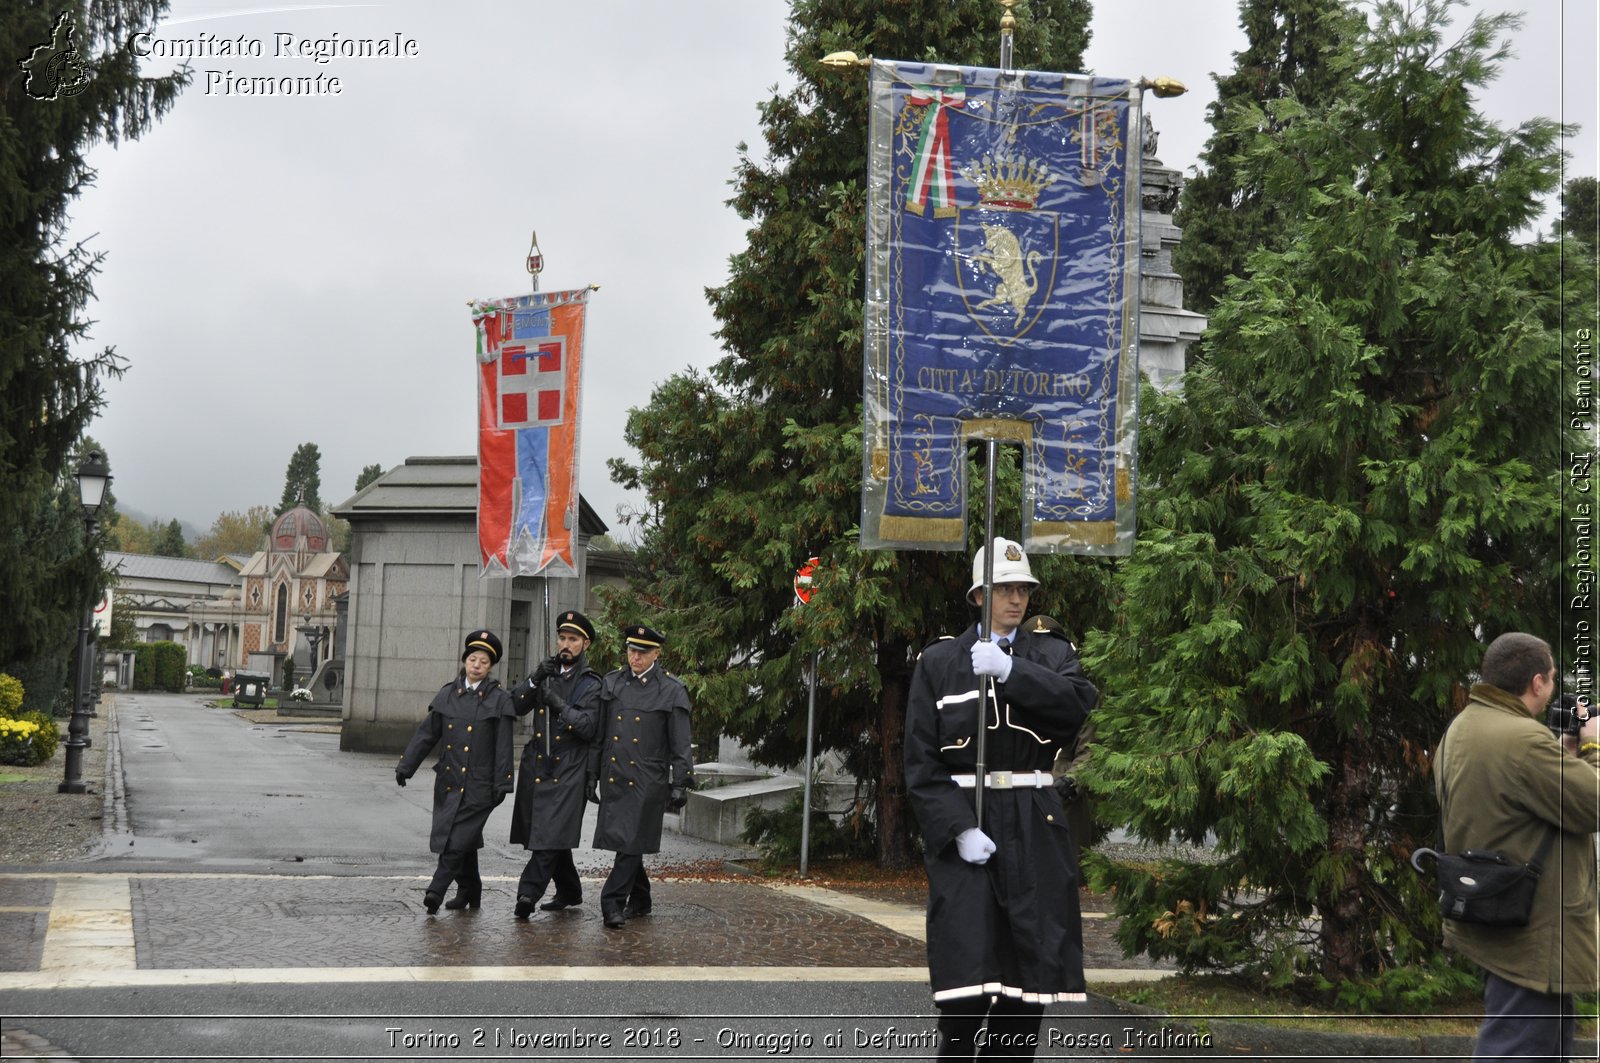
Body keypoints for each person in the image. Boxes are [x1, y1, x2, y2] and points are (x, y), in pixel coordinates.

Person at [904, 538, 1098, 1060]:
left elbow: (1078, 708)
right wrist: (957, 829)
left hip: (1035, 823)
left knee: (1025, 992)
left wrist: (1015, 672)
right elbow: (921, 762)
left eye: (1023, 589)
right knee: (966, 992)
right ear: (977, 594)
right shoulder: (940, 662)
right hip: (969, 825)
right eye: (1004, 588)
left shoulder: (1053, 655)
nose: (1016, 599)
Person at [1436, 632, 1599, 1062]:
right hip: (1534, 932)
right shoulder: (1524, 741)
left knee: (1531, 1042)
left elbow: (1512, 800)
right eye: (1551, 677)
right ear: (1537, 683)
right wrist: (1594, 745)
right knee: (1520, 1049)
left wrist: (1562, 754)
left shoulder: (1464, 726)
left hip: (1495, 912)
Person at [395, 629, 517, 915]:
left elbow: (504, 746)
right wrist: (406, 765)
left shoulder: (499, 700)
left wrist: (504, 782)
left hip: (481, 786)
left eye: (483, 662)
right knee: (464, 839)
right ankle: (470, 889)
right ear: (465, 661)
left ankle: (435, 890)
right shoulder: (447, 694)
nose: (476, 665)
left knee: (455, 839)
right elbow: (427, 734)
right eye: (473, 659)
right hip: (449, 781)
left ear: (490, 667)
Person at [591, 624, 693, 930]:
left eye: (643, 652)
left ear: (657, 654)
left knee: (632, 841)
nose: (635, 657)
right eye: (632, 650)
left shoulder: (671, 690)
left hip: (648, 778)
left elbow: (680, 741)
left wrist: (681, 782)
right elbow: (600, 735)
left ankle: (611, 902)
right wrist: (590, 774)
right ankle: (642, 898)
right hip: (615, 773)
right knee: (628, 842)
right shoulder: (612, 683)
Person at [508, 609, 602, 918]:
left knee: (548, 838)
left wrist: (557, 703)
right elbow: (515, 705)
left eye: (573, 639)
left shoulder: (591, 684)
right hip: (539, 765)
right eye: (562, 637)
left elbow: (588, 727)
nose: (565, 644)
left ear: (585, 644)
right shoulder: (546, 673)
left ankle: (527, 894)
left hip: (569, 768)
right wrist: (535, 680)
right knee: (552, 834)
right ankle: (570, 890)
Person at [1032, 615, 1097, 861]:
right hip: (1019, 795)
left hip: (1063, 798)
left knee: (1062, 881)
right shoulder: (1005, 687)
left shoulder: (1084, 694)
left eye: (1052, 650)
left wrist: (1070, 782)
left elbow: (1090, 750)